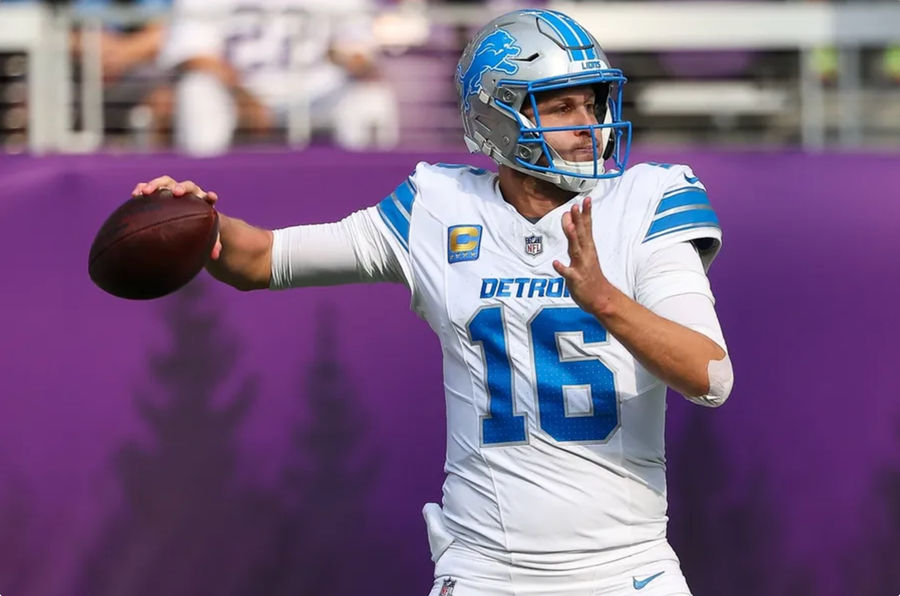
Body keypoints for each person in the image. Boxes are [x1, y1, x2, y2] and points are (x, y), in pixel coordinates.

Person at [132, 9, 734, 595]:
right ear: (499, 116)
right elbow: (264, 259)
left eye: (594, 101)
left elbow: (709, 375)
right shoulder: (438, 205)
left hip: (626, 570)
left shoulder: (648, 200)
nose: (589, 124)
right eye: (561, 105)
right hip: (485, 571)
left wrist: (605, 301)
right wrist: (196, 219)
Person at [158, 0, 398, 155]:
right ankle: (202, 195)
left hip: (317, 93)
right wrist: (243, 96)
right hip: (236, 92)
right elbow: (194, 53)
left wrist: (347, 55)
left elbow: (359, 47)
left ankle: (369, 199)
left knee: (371, 96)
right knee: (197, 89)